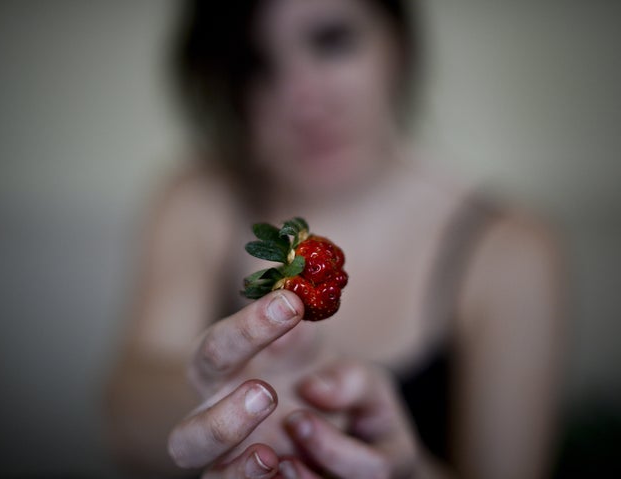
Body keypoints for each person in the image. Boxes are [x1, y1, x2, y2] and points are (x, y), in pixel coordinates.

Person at [104, 0, 564, 477]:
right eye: (256, 65)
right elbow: (127, 415)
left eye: (332, 41)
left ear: (399, 45)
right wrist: (242, 403)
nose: (302, 98)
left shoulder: (508, 247)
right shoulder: (198, 200)